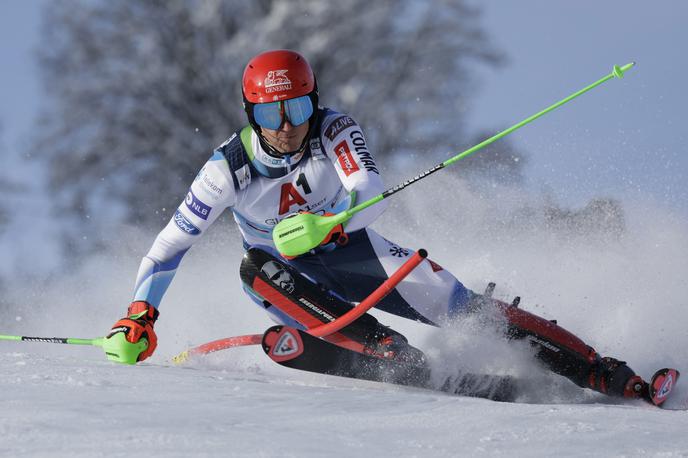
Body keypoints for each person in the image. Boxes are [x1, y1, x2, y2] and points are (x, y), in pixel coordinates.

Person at [109, 49, 648, 401]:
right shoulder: (226, 169)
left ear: (312, 102)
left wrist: (325, 223)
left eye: (296, 109)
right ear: (252, 115)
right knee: (254, 267)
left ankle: (599, 369)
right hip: (289, 281)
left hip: (355, 251)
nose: (287, 128)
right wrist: (139, 315)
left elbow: (370, 191)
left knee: (470, 312)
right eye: (271, 115)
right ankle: (391, 354)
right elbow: (168, 247)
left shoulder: (333, 128)